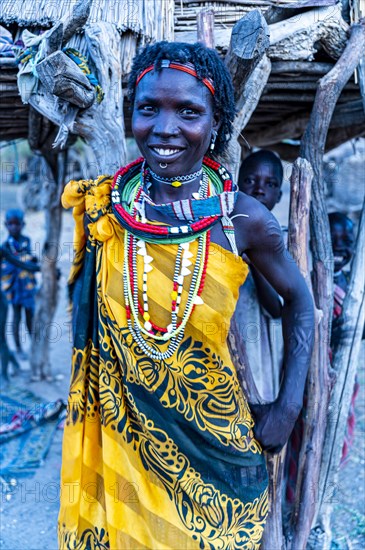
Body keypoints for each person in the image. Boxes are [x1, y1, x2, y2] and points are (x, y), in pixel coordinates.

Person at [58, 42, 314, 549]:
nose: (165, 128)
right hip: (121, 446)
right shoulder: (106, 211)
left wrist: (288, 407)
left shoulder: (239, 218)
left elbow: (301, 304)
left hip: (214, 457)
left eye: (189, 112)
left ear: (215, 124)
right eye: (148, 108)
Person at [230, 150, 285, 403]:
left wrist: (255, 260)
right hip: (222, 338)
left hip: (259, 348)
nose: (260, 190)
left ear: (280, 195)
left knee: (255, 403)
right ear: (236, 186)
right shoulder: (222, 234)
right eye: (251, 181)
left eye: (270, 184)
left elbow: (275, 308)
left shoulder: (282, 242)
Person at [1, 209, 37, 359]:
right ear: (5, 225)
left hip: (27, 285)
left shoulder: (26, 240)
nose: (14, 227)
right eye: (10, 224)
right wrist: (36, 267)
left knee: (30, 316)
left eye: (17, 224)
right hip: (14, 286)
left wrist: (32, 259)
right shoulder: (5, 246)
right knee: (16, 317)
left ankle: (35, 346)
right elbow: (15, 263)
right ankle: (18, 348)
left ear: (23, 224)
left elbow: (27, 257)